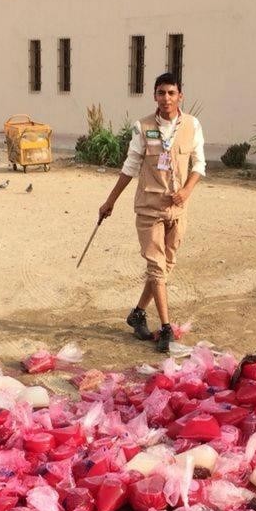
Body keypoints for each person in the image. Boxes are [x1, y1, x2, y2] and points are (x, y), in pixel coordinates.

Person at [99, 72, 205, 353]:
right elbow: (130, 166)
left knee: (166, 267)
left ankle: (137, 313)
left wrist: (186, 192)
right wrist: (110, 201)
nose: (166, 98)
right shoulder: (142, 127)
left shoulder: (192, 125)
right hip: (149, 208)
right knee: (156, 267)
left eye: (171, 93)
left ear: (180, 96)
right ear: (154, 96)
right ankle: (167, 327)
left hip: (177, 209)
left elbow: (199, 165)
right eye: (161, 93)